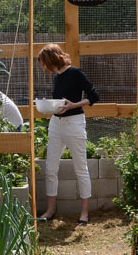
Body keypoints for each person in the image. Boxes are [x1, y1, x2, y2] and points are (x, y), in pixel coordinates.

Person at [37, 43, 99, 224]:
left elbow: (94, 96)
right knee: (50, 168)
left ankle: (84, 213)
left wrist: (73, 105)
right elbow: (60, 102)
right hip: (56, 124)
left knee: (81, 169)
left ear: (51, 59)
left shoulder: (75, 73)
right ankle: (50, 210)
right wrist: (48, 104)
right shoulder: (57, 77)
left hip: (74, 124)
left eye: (43, 62)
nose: (43, 67)